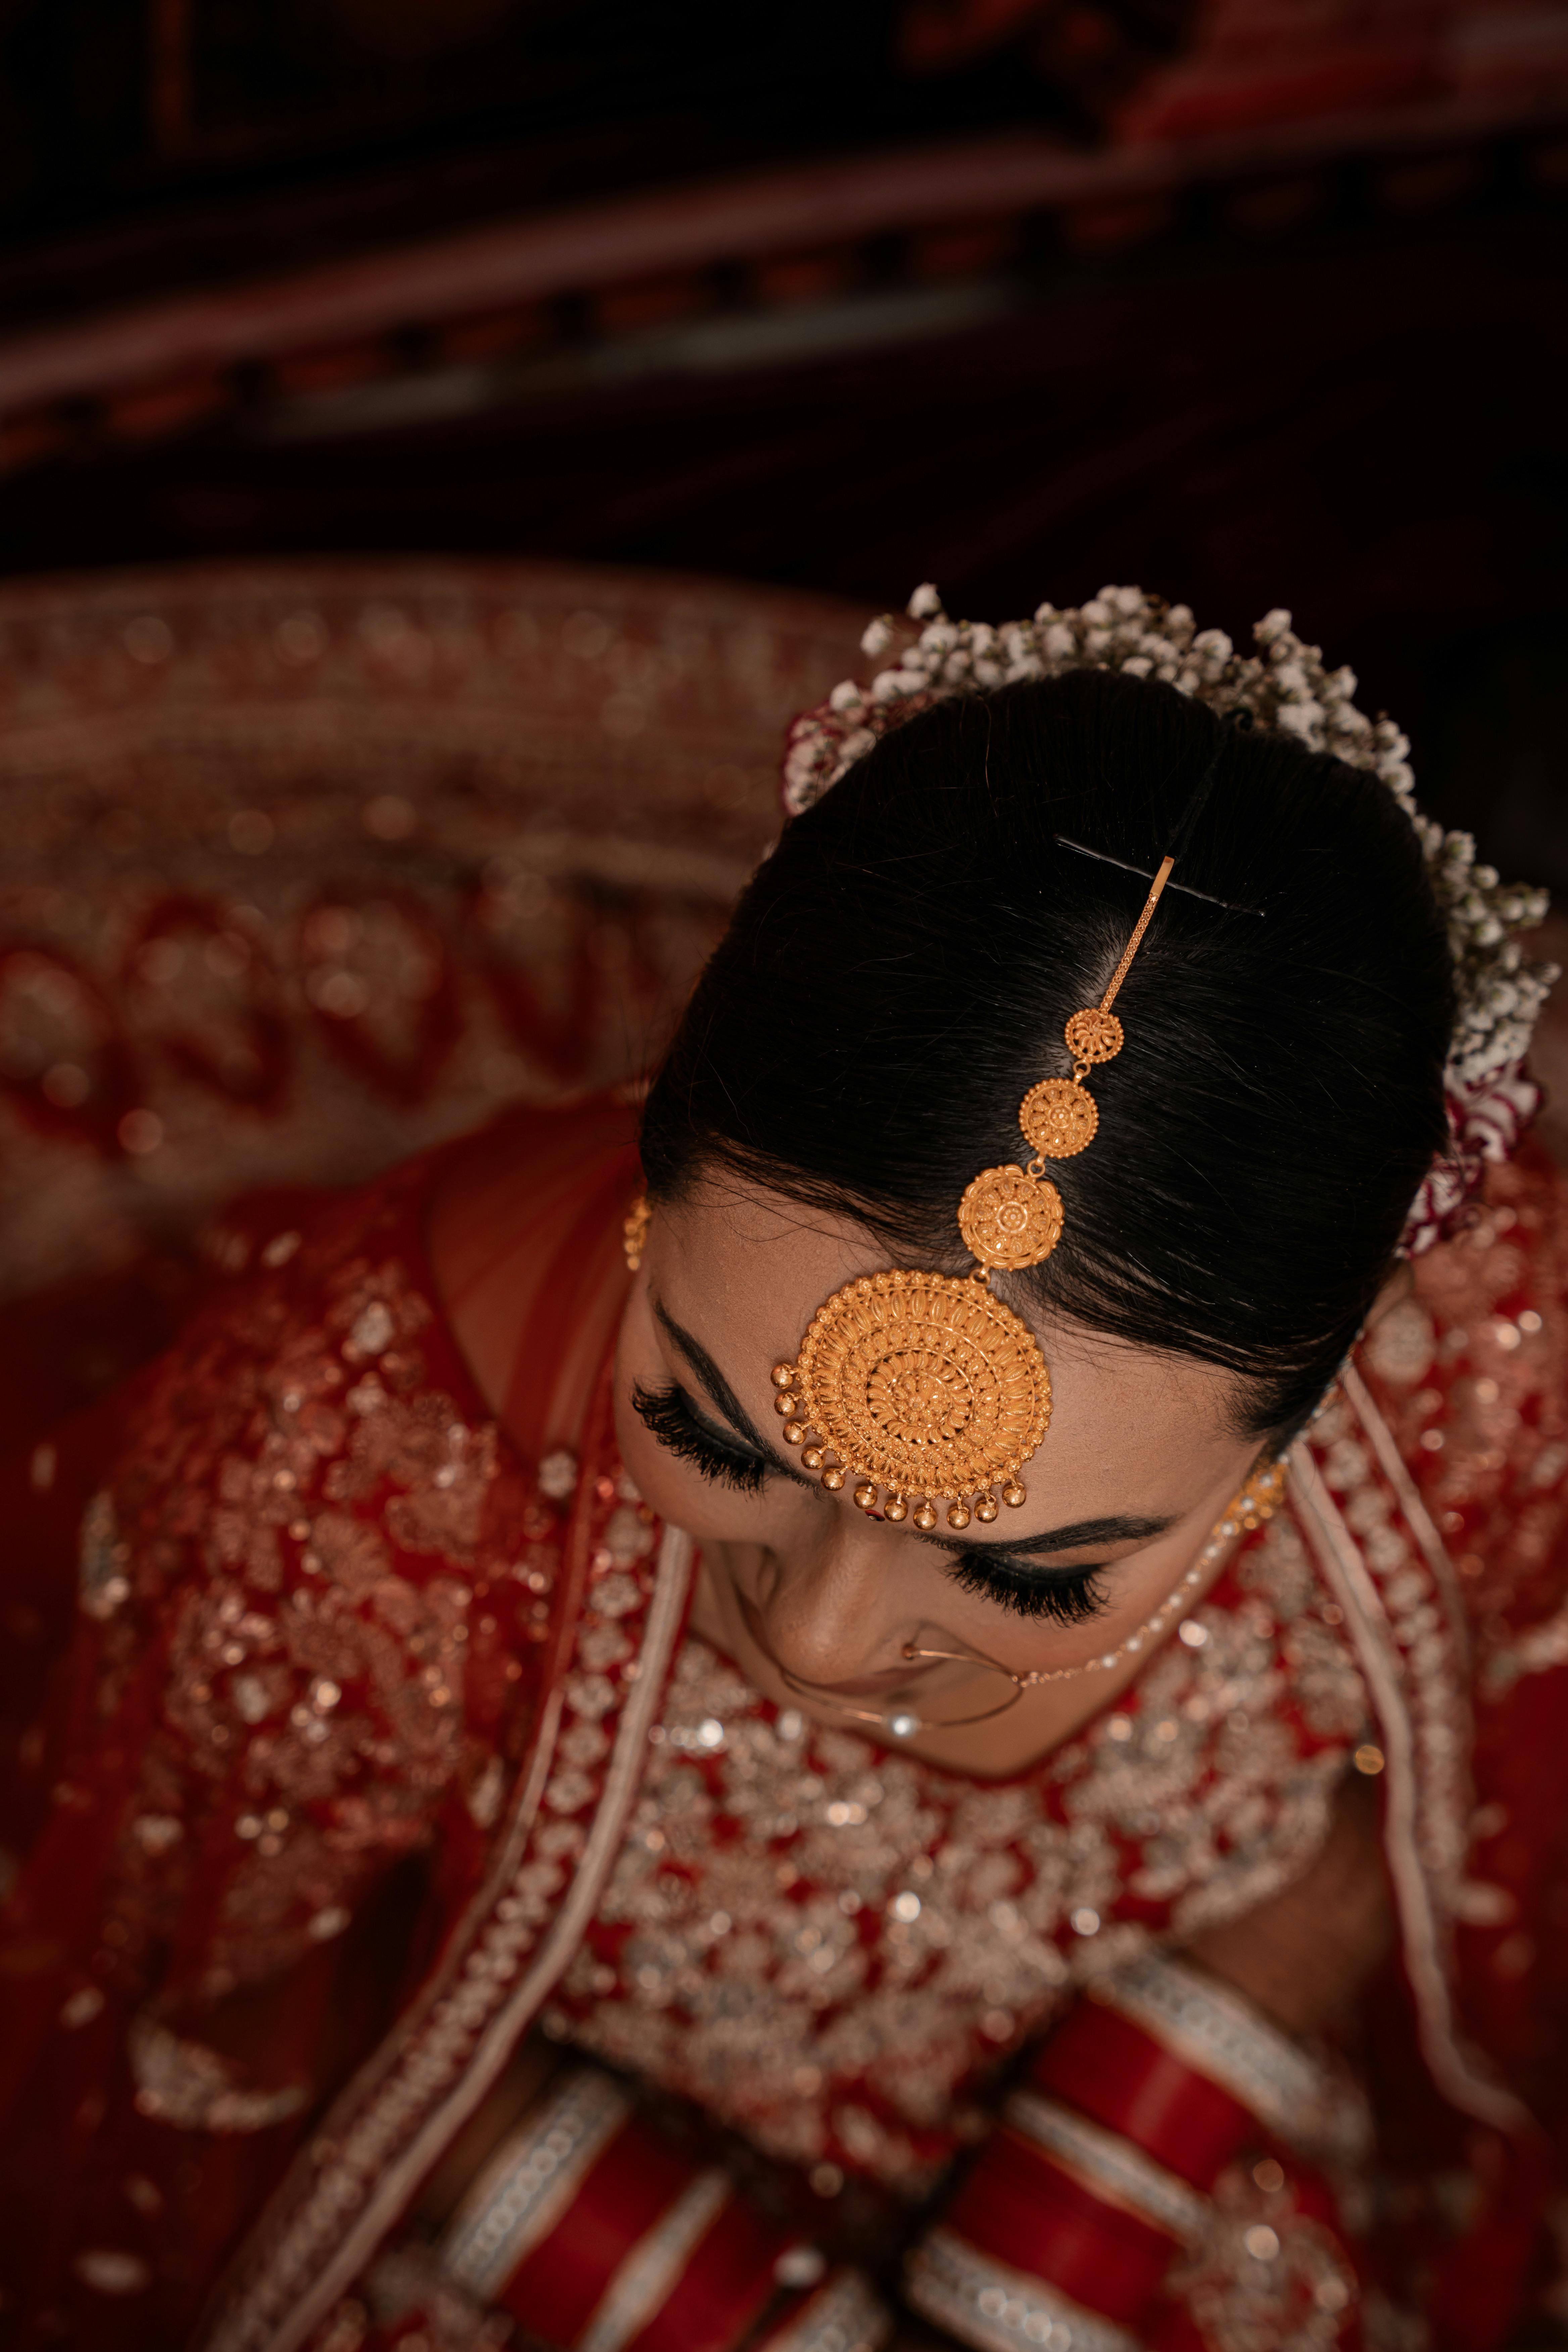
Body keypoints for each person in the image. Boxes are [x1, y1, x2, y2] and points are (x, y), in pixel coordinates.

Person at [1, 584, 1564, 2352]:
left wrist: (1132, 2139)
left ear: (1314, 1420)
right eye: (704, 1426)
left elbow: (1395, 1868)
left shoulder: (1484, 1378)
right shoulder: (353, 1461)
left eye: (1036, 1573)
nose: (822, 1637)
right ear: (654, 1178)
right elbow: (245, 2007)